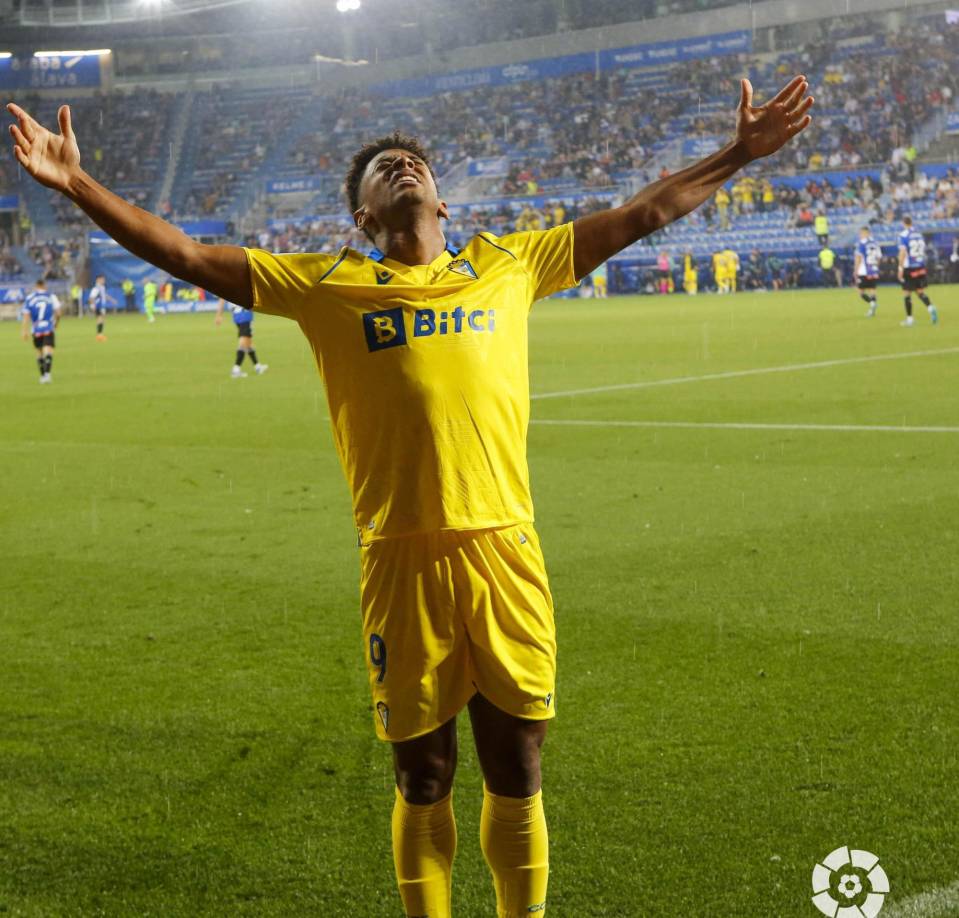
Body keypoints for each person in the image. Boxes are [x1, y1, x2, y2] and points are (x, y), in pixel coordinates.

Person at [7, 75, 813, 917]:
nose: (402, 167)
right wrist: (78, 184)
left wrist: (739, 153)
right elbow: (186, 255)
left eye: (413, 162)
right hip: (400, 559)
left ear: (441, 199)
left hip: (503, 546)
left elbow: (642, 214)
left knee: (518, 765)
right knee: (421, 774)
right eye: (382, 168)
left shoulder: (510, 264)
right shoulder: (326, 285)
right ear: (361, 216)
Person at [898, 216, 938, 327]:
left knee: (907, 293)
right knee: (920, 291)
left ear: (903, 223)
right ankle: (931, 308)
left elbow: (902, 253)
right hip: (920, 266)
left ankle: (910, 319)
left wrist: (900, 268)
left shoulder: (904, 235)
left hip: (909, 267)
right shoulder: (919, 235)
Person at [215, 297, 268, 378]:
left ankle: (257, 366)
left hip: (238, 316)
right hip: (244, 315)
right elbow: (222, 300)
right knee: (244, 343)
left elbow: (221, 300)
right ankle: (236, 369)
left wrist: (219, 315)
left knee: (248, 343)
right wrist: (219, 315)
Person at [21, 277, 60, 383]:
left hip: (36, 328)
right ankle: (48, 374)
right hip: (48, 326)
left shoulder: (30, 298)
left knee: (39, 352)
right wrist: (56, 323)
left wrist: (24, 330)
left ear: (36, 286)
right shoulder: (51, 296)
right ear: (44, 285)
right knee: (48, 350)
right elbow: (58, 312)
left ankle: (42, 376)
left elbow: (26, 315)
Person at [853, 226, 882, 317]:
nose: (860, 235)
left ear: (866, 233)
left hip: (863, 270)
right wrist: (875, 267)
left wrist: (856, 270)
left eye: (861, 233)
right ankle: (872, 307)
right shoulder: (875, 243)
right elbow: (879, 257)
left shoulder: (861, 243)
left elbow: (858, 258)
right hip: (873, 270)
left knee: (860, 291)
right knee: (872, 290)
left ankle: (872, 304)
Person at [88, 273, 116, 341]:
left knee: (102, 320)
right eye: (102, 279)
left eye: (104, 279)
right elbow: (91, 298)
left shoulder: (102, 287)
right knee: (100, 319)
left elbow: (104, 295)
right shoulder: (96, 288)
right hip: (98, 306)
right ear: (98, 280)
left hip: (102, 306)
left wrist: (112, 300)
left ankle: (100, 334)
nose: (104, 280)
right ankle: (99, 335)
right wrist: (93, 306)